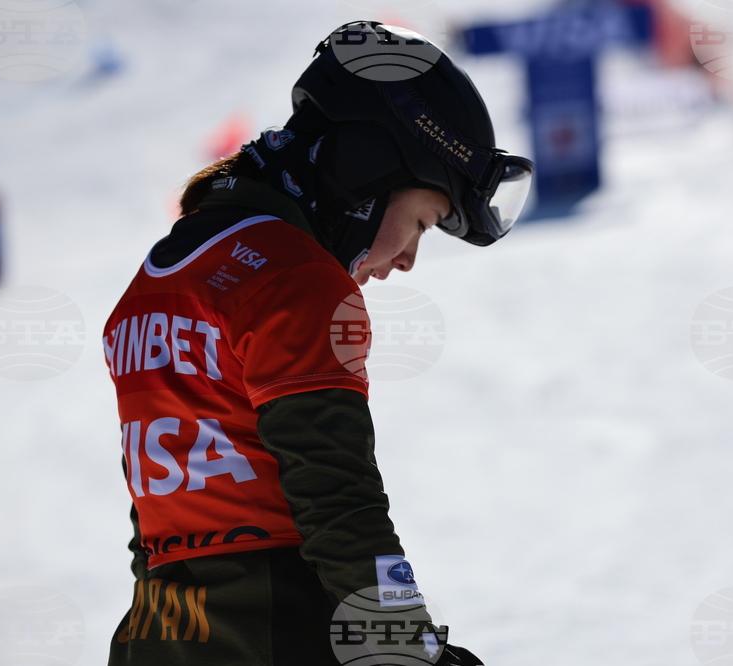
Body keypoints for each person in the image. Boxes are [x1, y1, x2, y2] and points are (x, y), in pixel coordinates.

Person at [103, 21, 533, 666]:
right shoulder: (298, 281)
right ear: (372, 173)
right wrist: (406, 651)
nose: (408, 260)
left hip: (163, 635)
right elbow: (339, 501)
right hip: (279, 630)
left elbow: (158, 519)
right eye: (421, 222)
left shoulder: (163, 273)